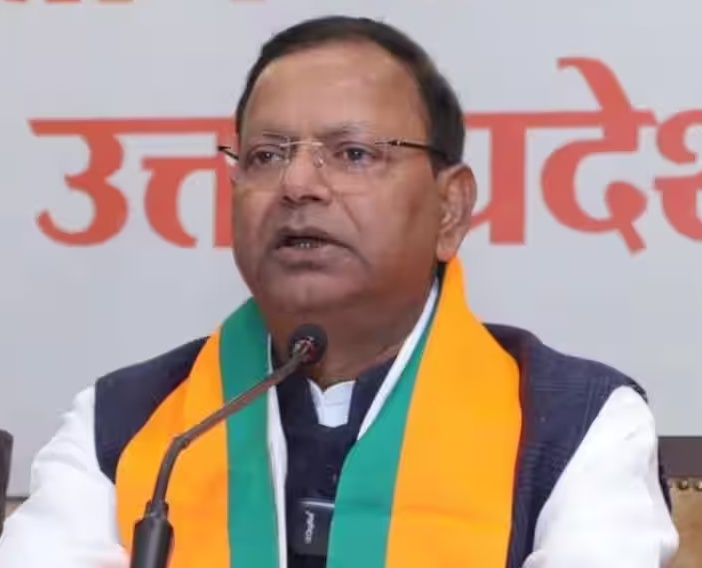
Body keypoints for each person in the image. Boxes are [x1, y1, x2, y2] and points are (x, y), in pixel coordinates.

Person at [0, 15, 679, 568]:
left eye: (353, 154)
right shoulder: (122, 427)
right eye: (266, 155)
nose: (298, 185)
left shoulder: (578, 426)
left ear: (450, 209)